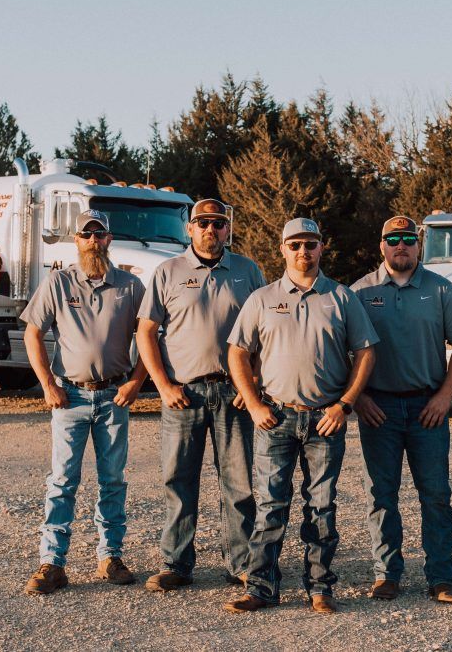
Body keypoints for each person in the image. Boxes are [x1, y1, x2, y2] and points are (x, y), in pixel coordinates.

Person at [222, 218, 379, 614]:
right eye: (295, 245)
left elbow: (365, 352)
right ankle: (261, 587)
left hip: (325, 420)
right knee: (270, 505)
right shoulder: (261, 298)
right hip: (275, 418)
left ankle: (320, 587)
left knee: (321, 506)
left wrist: (344, 405)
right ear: (282, 249)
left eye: (310, 244)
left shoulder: (341, 297)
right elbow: (237, 352)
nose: (302, 252)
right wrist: (253, 403)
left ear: (321, 248)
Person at [137, 198, 265, 592]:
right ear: (189, 228)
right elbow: (146, 332)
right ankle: (176, 564)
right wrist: (162, 385)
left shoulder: (248, 270)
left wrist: (254, 382)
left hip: (234, 392)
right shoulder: (167, 271)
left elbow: (266, 331)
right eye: (203, 223)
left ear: (228, 229)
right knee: (178, 480)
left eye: (218, 223)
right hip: (183, 394)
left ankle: (240, 564)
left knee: (240, 484)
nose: (211, 229)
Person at [350, 216, 452, 604]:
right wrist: (359, 398)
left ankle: (441, 577)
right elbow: (343, 351)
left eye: (408, 239)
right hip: (379, 408)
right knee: (381, 495)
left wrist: (445, 397)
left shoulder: (440, 290)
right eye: (393, 239)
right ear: (382, 245)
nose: (401, 245)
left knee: (436, 494)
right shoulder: (359, 292)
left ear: (419, 245)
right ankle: (386, 574)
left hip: (428, 407)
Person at [21, 209, 147, 595]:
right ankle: (52, 564)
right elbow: (32, 334)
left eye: (100, 234)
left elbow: (149, 338)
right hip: (69, 396)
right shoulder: (58, 283)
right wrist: (47, 384)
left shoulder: (130, 286)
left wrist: (136, 383)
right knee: (62, 481)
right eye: (86, 234)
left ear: (109, 240)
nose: (93, 241)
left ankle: (110, 557)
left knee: (113, 480)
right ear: (76, 240)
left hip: (114, 395)